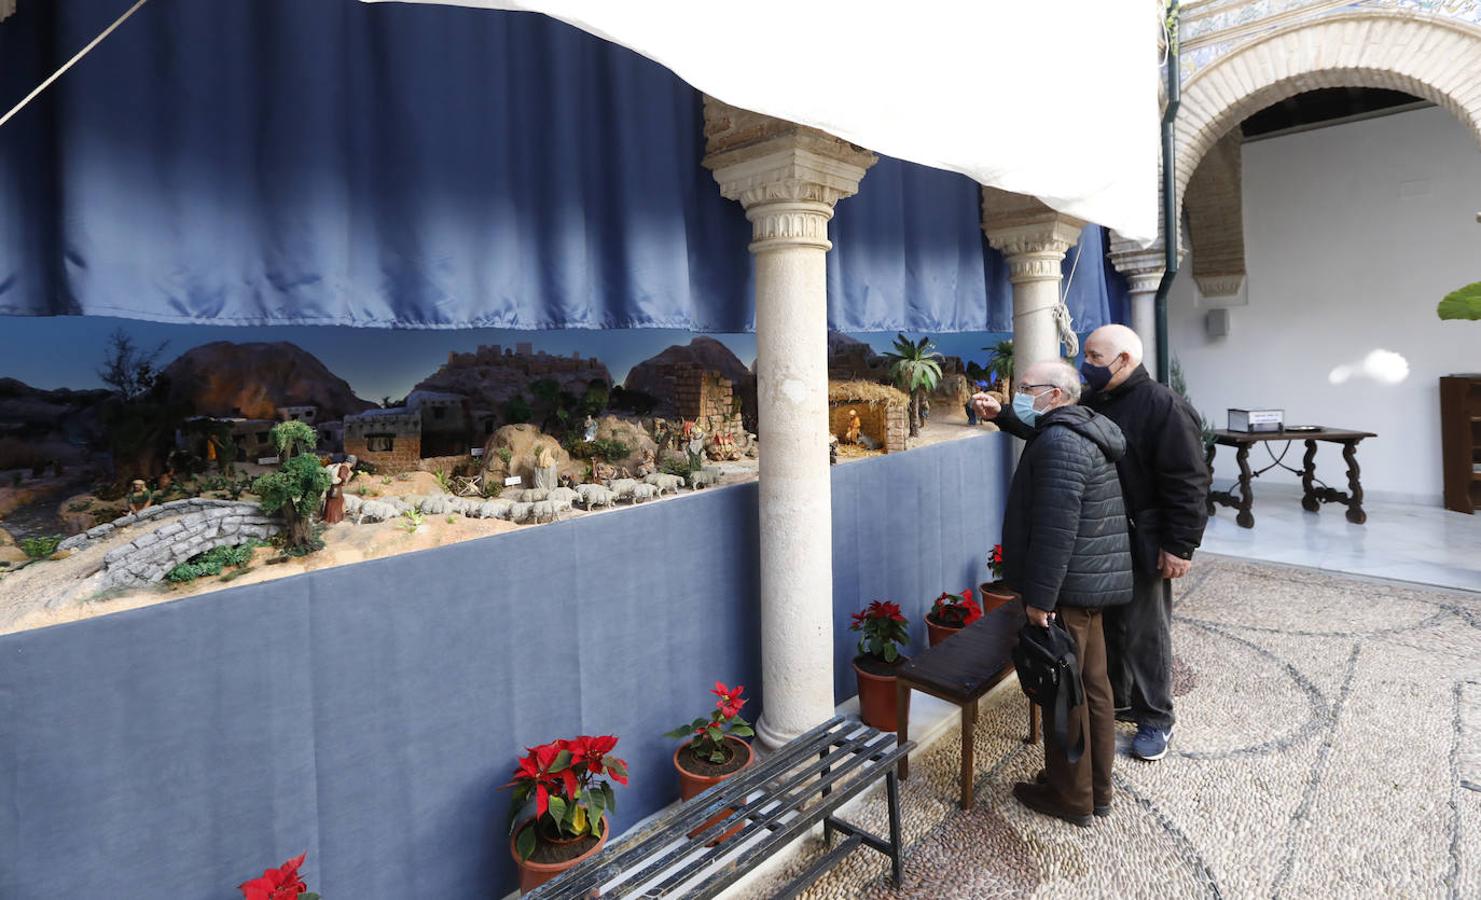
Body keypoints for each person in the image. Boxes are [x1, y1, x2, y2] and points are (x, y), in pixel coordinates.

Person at [973, 325, 1209, 761]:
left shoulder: (1164, 407)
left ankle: (1156, 716)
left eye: (1096, 358)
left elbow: (1189, 481)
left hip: (1144, 539)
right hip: (1100, 538)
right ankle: (1118, 697)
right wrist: (1004, 415)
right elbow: (1054, 432)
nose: (1087, 365)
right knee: (1112, 627)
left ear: (1124, 361)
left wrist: (1181, 544)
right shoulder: (1098, 400)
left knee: (1145, 630)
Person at [997, 360, 1132, 826]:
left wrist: (1041, 599)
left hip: (1068, 591)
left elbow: (1057, 530)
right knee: (1092, 687)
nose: (1020, 394)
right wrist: (1001, 414)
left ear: (1054, 395)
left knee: (1065, 695)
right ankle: (1095, 789)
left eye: (1025, 388)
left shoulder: (1059, 441)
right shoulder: (1079, 429)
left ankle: (1070, 797)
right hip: (1087, 584)